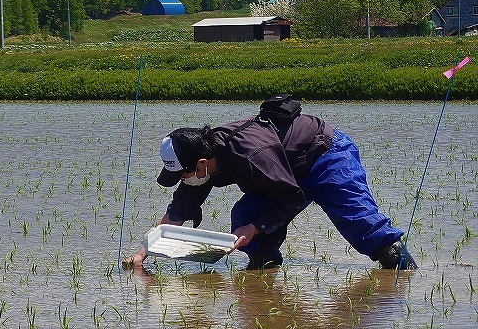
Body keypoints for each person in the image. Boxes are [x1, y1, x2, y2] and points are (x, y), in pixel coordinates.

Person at [124, 106, 417, 271]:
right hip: (284, 171)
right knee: (244, 216)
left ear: (200, 164)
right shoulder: (203, 160)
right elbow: (178, 212)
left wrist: (257, 226)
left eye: (184, 173)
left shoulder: (249, 154)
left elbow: (291, 196)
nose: (184, 179)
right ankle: (265, 269)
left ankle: (405, 277)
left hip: (327, 157)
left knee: (366, 228)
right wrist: (142, 253)